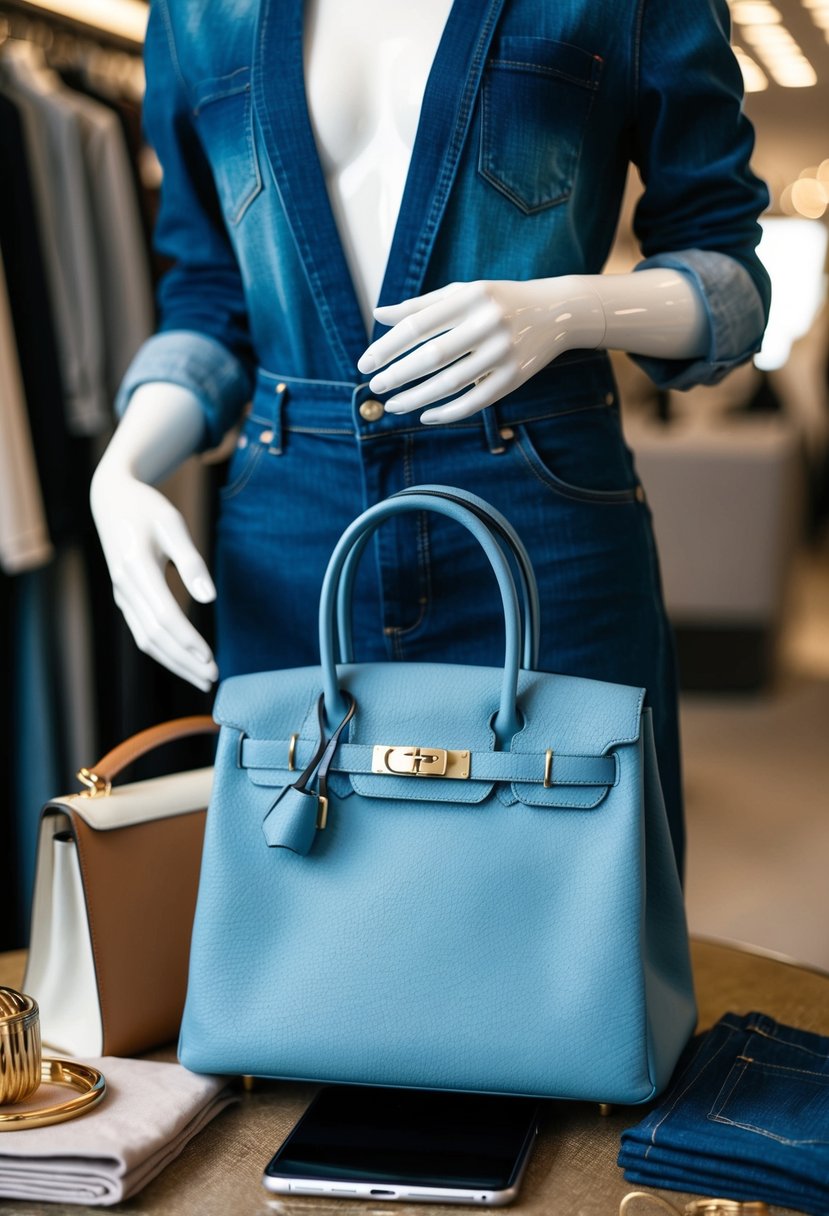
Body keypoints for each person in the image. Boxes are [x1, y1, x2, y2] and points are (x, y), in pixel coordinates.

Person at [91, 0, 771, 874]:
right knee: (300, 890)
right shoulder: (195, 14)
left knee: (573, 889)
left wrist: (566, 309)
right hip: (290, 515)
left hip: (539, 508)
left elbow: (731, 280)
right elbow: (209, 295)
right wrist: (122, 467)